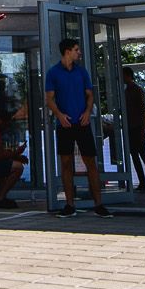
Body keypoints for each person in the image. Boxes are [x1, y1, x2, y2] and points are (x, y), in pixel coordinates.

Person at [44, 38, 109, 217]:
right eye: (76, 49)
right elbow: (49, 98)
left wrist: (88, 112)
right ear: (67, 52)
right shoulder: (53, 73)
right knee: (66, 163)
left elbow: (90, 95)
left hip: (82, 123)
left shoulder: (82, 72)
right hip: (64, 124)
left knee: (91, 163)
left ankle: (99, 204)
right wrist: (59, 115)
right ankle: (70, 205)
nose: (79, 52)